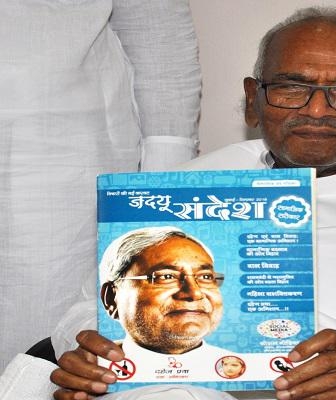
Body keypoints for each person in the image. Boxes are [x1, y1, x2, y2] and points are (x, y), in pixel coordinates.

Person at [2, 6, 336, 400]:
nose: (318, 110)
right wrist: (90, 348)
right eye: (291, 87)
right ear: (253, 100)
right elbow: (85, 307)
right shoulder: (182, 188)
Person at [0, 0, 201, 372]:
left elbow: (156, 30)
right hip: (50, 150)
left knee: (55, 339)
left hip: (54, 157)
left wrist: (164, 188)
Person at [97, 227, 229, 381]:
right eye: (167, 277)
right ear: (111, 299)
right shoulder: (93, 367)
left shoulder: (243, 368)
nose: (195, 293)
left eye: (205, 276)